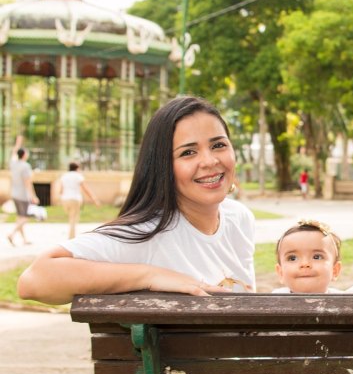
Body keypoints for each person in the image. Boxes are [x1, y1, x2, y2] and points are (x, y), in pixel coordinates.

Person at [17, 96, 256, 305]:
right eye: (188, 152)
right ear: (162, 166)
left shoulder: (239, 218)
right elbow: (34, 279)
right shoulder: (147, 233)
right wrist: (150, 276)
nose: (210, 161)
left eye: (218, 145)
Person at [272, 219, 342, 293]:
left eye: (317, 257)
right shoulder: (271, 302)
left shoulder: (347, 300)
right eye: (292, 258)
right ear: (280, 272)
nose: (305, 264)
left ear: (335, 270)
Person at [7, 135, 39, 246]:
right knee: (26, 217)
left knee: (20, 217)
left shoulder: (13, 164)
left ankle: (24, 240)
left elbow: (13, 153)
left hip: (14, 194)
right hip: (23, 195)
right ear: (24, 155)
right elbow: (27, 183)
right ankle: (11, 234)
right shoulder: (26, 166)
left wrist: (18, 143)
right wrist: (33, 196)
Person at [55, 162, 101, 239]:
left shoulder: (64, 176)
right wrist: (94, 199)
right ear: (77, 168)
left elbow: (61, 190)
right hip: (75, 199)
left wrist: (60, 199)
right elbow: (85, 189)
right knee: (73, 218)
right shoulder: (78, 176)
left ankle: (71, 235)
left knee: (70, 216)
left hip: (65, 199)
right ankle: (71, 238)